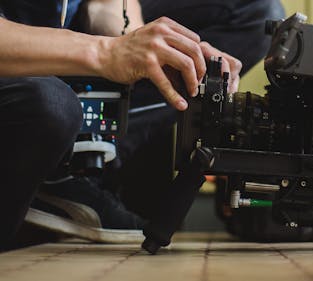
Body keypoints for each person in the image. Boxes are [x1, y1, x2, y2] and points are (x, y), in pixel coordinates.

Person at [0, 0, 285, 250]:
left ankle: (76, 164)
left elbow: (105, 5)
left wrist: (147, 50)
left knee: (256, 13)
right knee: (50, 106)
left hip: (53, 43)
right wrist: (105, 52)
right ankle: (54, 161)